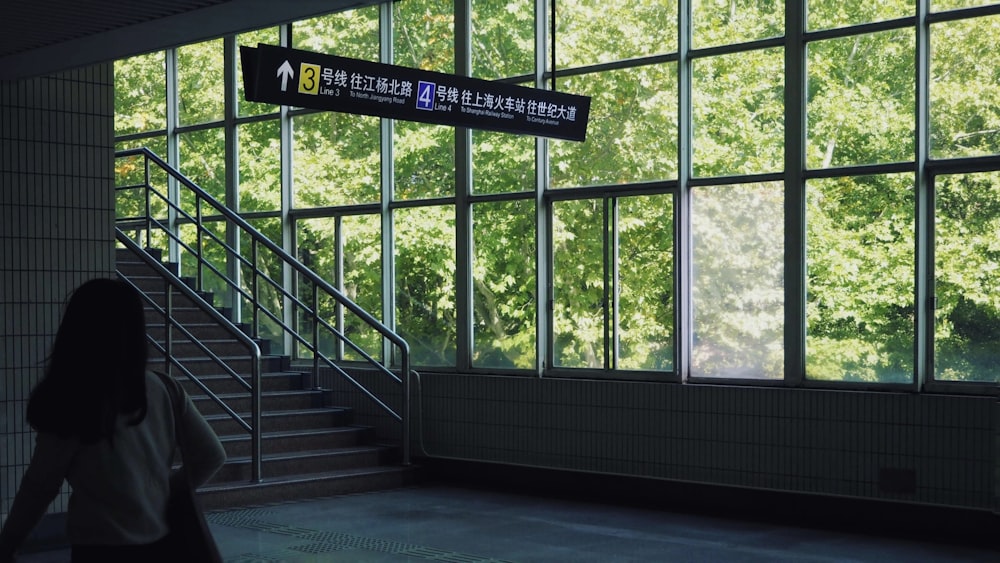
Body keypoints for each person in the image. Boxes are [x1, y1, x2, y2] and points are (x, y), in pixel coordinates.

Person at [0, 278, 226, 563]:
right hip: (163, 545)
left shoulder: (73, 401)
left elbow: (39, 486)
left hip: (100, 549)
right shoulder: (164, 389)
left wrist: (8, 543)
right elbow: (212, 455)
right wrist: (163, 487)